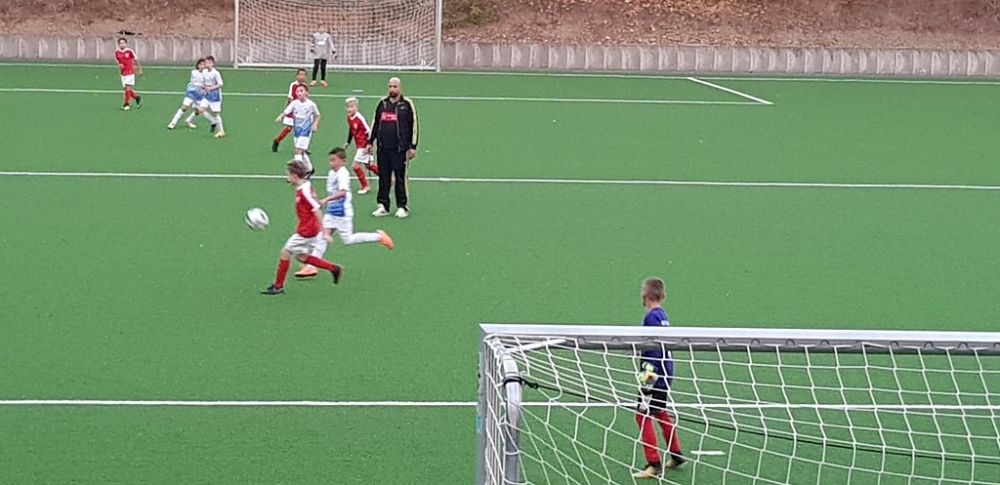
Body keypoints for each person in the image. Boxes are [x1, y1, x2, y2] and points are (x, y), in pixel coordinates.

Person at [295, 147, 394, 278]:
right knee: (322, 237)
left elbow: (342, 192)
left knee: (348, 239)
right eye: (330, 160)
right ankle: (311, 267)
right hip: (331, 212)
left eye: (334, 160)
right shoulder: (332, 173)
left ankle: (379, 237)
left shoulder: (342, 174)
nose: (331, 163)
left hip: (342, 213)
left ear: (343, 161)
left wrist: (326, 200)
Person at [261, 160, 344, 295]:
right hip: (309, 228)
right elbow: (314, 203)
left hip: (307, 230)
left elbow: (316, 209)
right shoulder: (306, 186)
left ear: (295, 176)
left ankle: (278, 286)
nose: (288, 178)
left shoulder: (304, 191)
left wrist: (324, 232)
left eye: (288, 175)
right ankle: (334, 269)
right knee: (302, 257)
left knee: (285, 252)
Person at [632, 277, 685, 479]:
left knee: (642, 415)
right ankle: (676, 454)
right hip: (666, 372)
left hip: (653, 374)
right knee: (660, 412)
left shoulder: (651, 317)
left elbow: (654, 350)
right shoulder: (662, 315)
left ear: (644, 295)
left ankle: (653, 464)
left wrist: (648, 379)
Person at [367, 77, 418, 218]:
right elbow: (375, 123)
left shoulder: (407, 104)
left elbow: (414, 125)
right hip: (383, 148)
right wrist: (370, 142)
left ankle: (402, 206)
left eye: (395, 86)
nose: (392, 89)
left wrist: (413, 146)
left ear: (400, 88)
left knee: (400, 177)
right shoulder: (382, 103)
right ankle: (383, 205)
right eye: (390, 86)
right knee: (383, 177)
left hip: (399, 148)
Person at [275, 84, 320, 175]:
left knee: (297, 151)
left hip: (306, 131)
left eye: (301, 91)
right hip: (297, 131)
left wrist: (315, 124)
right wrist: (280, 116)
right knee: (301, 153)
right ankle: (310, 169)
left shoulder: (311, 104)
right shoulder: (294, 103)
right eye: (298, 91)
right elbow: (286, 112)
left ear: (307, 93)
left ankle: (299, 172)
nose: (299, 93)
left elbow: (318, 115)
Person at [344, 97, 379, 194]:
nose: (350, 109)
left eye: (352, 107)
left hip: (364, 145)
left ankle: (365, 186)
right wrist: (348, 142)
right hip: (359, 145)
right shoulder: (349, 118)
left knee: (355, 166)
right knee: (369, 165)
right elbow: (351, 130)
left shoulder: (360, 118)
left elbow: (369, 131)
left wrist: (369, 144)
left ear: (356, 107)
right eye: (348, 107)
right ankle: (387, 178)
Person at [168, 58, 213, 130]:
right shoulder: (194, 72)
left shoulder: (207, 74)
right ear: (197, 65)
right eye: (201, 64)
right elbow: (196, 83)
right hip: (191, 93)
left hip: (200, 95)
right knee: (184, 107)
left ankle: (188, 120)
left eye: (204, 65)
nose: (202, 66)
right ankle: (173, 123)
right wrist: (204, 86)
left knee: (199, 111)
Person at [273, 69, 311, 152]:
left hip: (302, 111)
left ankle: (301, 147)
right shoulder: (293, 85)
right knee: (288, 128)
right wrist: (287, 111)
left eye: (304, 75)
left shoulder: (306, 86)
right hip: (293, 110)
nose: (302, 77)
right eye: (300, 75)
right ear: (297, 76)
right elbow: (290, 98)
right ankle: (277, 141)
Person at [114, 38, 142, 110]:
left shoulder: (129, 51)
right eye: (120, 43)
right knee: (126, 89)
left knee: (127, 88)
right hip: (123, 73)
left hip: (130, 72)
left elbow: (136, 60)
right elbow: (117, 60)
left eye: (123, 43)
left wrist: (139, 69)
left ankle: (126, 104)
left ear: (126, 44)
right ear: (118, 44)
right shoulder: (117, 52)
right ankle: (136, 97)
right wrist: (119, 64)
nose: (122, 44)